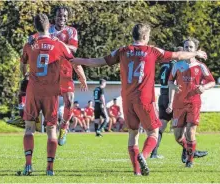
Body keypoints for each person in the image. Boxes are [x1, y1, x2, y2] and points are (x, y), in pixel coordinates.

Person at [70, 23, 207, 175]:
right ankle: (144, 155)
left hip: (127, 100)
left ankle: (137, 172)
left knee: (133, 134)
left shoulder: (122, 51)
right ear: (145, 36)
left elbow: (99, 61)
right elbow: (178, 55)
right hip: (145, 98)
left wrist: (77, 60)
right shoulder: (152, 51)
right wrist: (196, 53)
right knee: (154, 133)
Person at [20, 13, 74, 176]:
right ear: (49, 24)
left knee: (29, 128)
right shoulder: (57, 44)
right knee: (51, 129)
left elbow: (23, 66)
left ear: (34, 27)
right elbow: (73, 59)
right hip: (51, 91)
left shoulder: (29, 44)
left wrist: (26, 75)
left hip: (34, 90)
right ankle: (50, 168)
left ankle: (28, 166)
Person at [28, 5, 88, 146]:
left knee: (70, 101)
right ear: (54, 17)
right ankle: (35, 120)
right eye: (60, 16)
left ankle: (65, 126)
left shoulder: (71, 31)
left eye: (65, 16)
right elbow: (34, 37)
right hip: (50, 72)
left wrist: (57, 43)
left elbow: (73, 48)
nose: (63, 18)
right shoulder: (49, 30)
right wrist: (31, 38)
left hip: (66, 71)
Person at [150, 47, 208, 160]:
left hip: (162, 95)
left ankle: (154, 152)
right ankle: (187, 153)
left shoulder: (164, 65)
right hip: (172, 96)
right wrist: (171, 102)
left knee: (161, 126)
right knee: (185, 127)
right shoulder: (178, 66)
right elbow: (174, 84)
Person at [166, 37, 215, 167]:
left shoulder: (200, 66)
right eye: (186, 47)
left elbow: (212, 81)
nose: (188, 49)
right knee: (177, 136)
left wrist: (203, 87)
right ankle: (189, 150)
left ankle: (190, 161)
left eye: (191, 47)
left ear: (196, 50)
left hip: (194, 103)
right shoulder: (177, 65)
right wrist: (174, 87)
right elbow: (170, 81)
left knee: (190, 132)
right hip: (179, 103)